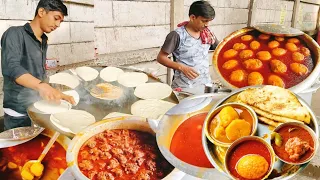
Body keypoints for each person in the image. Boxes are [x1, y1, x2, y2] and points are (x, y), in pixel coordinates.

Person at [1, 0, 75, 130]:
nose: (57, 25)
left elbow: (38, 74)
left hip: (38, 108)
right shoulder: (15, 33)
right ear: (41, 12)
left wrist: (53, 91)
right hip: (18, 113)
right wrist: (43, 87)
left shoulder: (43, 40)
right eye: (56, 18)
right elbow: (12, 67)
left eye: (61, 22)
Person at [157, 0, 218, 91]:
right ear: (193, 17)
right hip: (184, 88)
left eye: (209, 21)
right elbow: (161, 57)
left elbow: (220, 48)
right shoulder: (177, 35)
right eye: (204, 21)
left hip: (205, 86)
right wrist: (181, 67)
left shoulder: (208, 34)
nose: (207, 25)